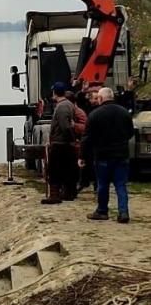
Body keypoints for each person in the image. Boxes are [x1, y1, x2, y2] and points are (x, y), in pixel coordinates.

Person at [79, 87, 134, 223]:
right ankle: (123, 212)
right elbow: (130, 133)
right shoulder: (124, 113)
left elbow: (87, 138)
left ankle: (102, 211)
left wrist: (82, 156)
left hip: (103, 155)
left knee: (103, 184)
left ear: (101, 98)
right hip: (121, 154)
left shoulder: (94, 115)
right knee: (121, 185)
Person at [42, 82, 78, 203]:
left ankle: (54, 195)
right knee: (67, 169)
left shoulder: (62, 107)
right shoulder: (68, 104)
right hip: (64, 143)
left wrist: (70, 139)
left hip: (60, 143)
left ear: (54, 92)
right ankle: (68, 193)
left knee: (54, 170)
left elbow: (65, 127)